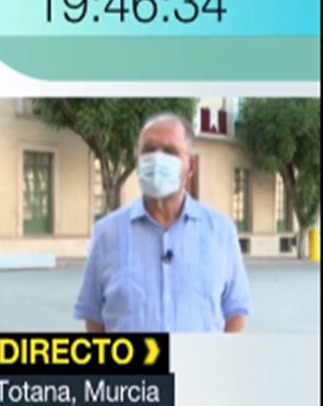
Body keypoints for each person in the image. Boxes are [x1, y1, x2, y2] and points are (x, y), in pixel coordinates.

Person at [73, 112, 252, 334]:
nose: (157, 159)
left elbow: (235, 312)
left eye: (170, 151)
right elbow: (93, 317)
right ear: (137, 162)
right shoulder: (106, 234)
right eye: (148, 150)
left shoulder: (221, 232)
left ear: (191, 167)